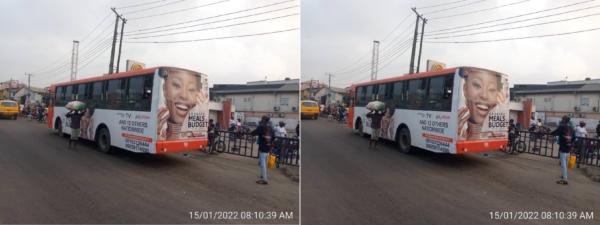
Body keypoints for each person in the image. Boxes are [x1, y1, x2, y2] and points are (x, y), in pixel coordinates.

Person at [157, 68, 208, 141]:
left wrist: (202, 123)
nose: (184, 95)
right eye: (177, 85)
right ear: (164, 89)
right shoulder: (159, 133)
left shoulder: (196, 135)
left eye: (191, 89)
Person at [457, 68, 509, 141]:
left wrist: (502, 122)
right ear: (465, 89)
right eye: (477, 85)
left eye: (491, 89)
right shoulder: (460, 133)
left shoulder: (496, 136)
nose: (484, 95)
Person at [243, 115, 274, 185]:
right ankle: (264, 175)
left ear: (263, 120)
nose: (261, 120)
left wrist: (243, 132)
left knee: (262, 162)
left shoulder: (262, 127)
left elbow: (253, 133)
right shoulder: (271, 128)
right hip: (268, 147)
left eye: (262, 119)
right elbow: (273, 138)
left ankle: (264, 179)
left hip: (263, 147)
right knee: (265, 161)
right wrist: (271, 147)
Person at [542, 115, 573, 185]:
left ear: (564, 120)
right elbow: (573, 138)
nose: (561, 120)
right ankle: (564, 175)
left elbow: (553, 133)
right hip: (569, 147)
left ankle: (564, 179)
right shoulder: (571, 127)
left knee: (563, 162)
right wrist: (571, 148)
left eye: (562, 119)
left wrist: (544, 132)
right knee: (566, 161)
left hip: (563, 147)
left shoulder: (562, 127)